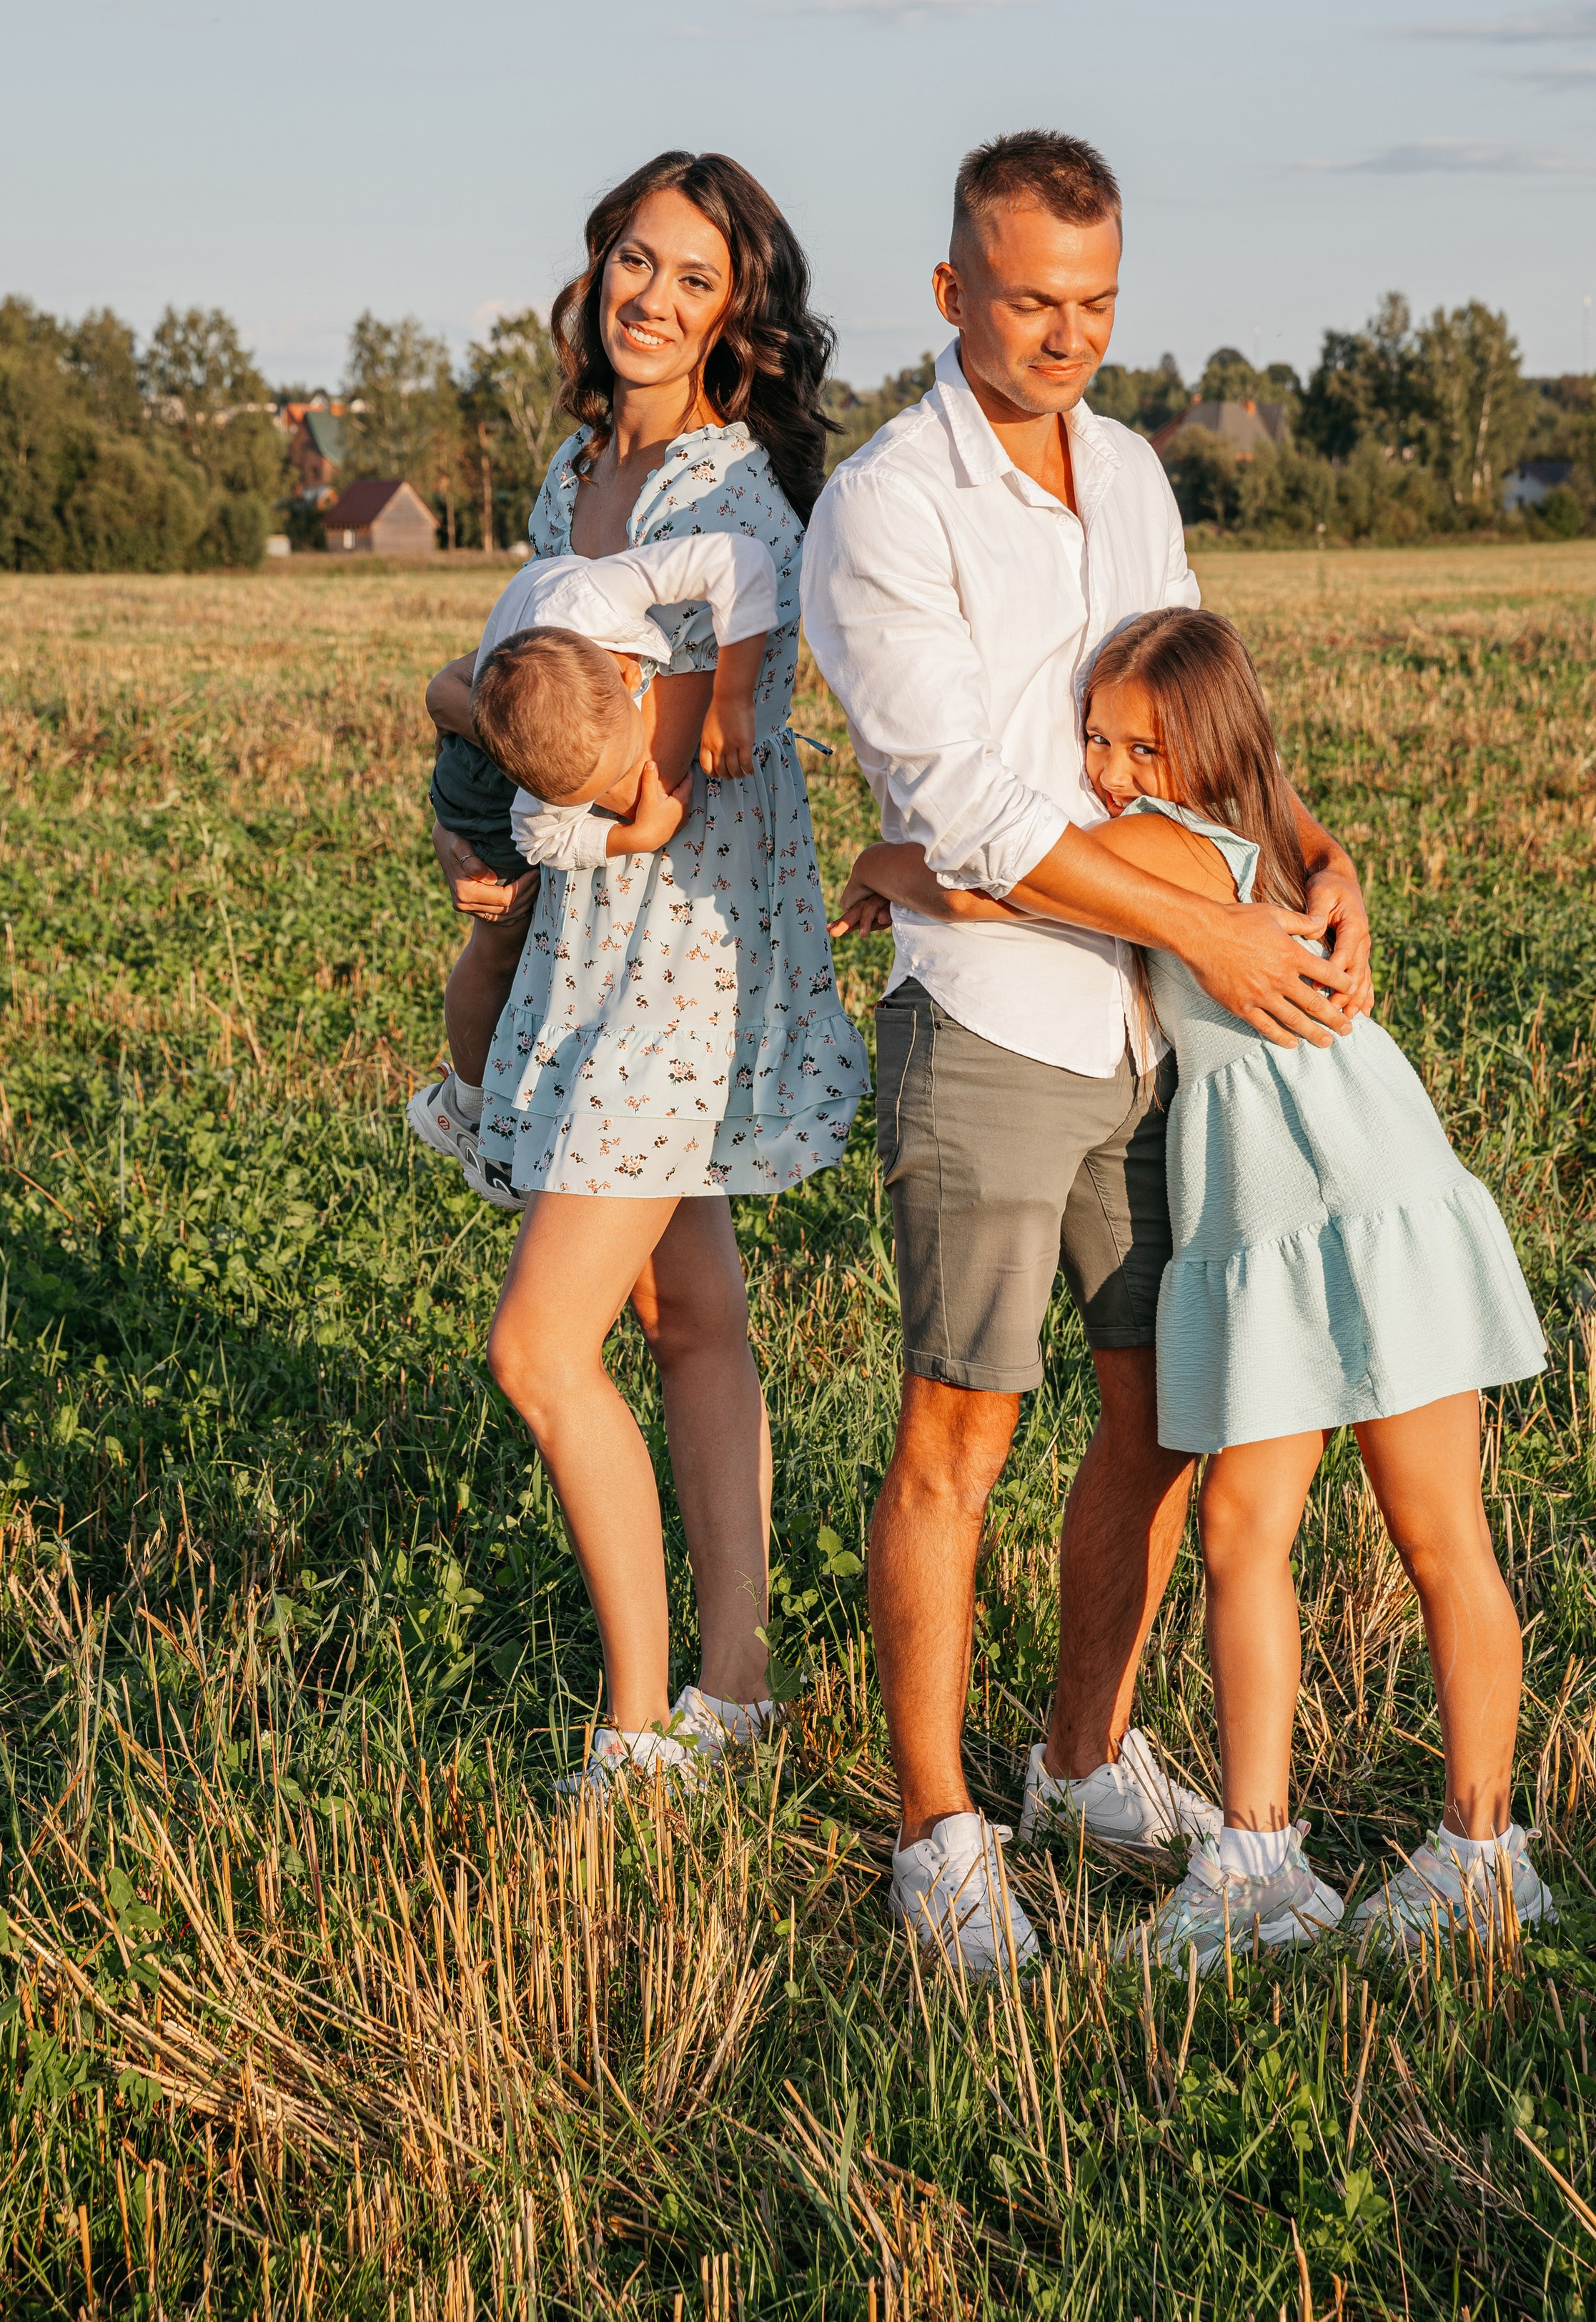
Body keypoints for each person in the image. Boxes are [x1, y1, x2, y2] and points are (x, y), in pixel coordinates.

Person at [802, 127, 1373, 1975]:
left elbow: (1189, 705)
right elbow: (969, 806)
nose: (1065, 337)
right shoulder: (889, 506)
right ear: (953, 288)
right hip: (988, 1026)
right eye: (1029, 300)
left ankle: (1076, 1764)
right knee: (963, 1427)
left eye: (1097, 304)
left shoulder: (1129, 469)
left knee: (1162, 1418)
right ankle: (934, 1832)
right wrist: (1203, 916)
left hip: (1149, 1035)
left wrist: (1304, 855)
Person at [843, 607, 1552, 1968]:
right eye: (1095, 739)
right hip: (1332, 1198)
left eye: (1136, 744)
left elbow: (1016, 883)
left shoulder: (1167, 843)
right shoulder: (1273, 833)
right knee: (1327, 1530)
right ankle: (1366, 1855)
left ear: (1203, 748)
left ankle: (1373, 1856)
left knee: (1342, 1535)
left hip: (1328, 1202)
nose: (1106, 769)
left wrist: (885, 858)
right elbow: (1286, 838)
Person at [455, 151, 870, 1791]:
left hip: (683, 950)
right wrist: (492, 810)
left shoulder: (726, 497)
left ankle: (640, 1733)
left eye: (691, 278)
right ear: (594, 267)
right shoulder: (575, 477)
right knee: (683, 1312)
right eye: (634, 258)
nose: (649, 296)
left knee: (537, 1351)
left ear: (736, 316)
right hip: (590, 934)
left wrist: (560, 816)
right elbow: (538, 691)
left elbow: (708, 762)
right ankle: (737, 1688)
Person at [407, 530, 778, 1205]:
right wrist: (630, 838)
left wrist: (734, 694)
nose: (620, 791)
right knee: (504, 933)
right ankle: (466, 1111)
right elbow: (541, 834)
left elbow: (741, 559)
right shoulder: (540, 782)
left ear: (628, 675)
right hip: (487, 769)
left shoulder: (606, 588)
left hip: (506, 718)